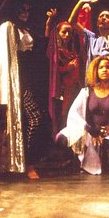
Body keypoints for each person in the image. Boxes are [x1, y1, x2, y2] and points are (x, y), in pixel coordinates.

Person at [0, 0, 48, 180]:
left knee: (33, 119)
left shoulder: (25, 29)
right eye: (21, 10)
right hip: (16, 80)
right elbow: (8, 58)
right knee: (33, 118)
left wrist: (49, 24)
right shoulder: (7, 27)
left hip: (28, 79)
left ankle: (26, 162)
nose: (25, 14)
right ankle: (26, 164)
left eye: (27, 10)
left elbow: (41, 45)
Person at [45, 8, 82, 138]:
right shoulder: (55, 52)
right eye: (64, 32)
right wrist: (68, 68)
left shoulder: (72, 51)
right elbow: (52, 70)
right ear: (58, 33)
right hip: (61, 91)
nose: (67, 35)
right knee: (61, 119)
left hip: (73, 90)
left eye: (69, 32)